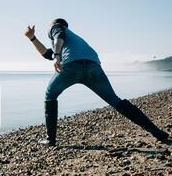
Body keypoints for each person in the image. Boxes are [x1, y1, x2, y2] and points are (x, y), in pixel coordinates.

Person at [25, 18, 170, 146]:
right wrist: (32, 38)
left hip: (72, 66)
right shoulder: (73, 41)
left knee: (50, 95)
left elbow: (57, 39)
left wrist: (57, 55)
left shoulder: (57, 28)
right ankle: (157, 133)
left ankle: (51, 140)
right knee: (115, 100)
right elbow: (47, 54)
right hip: (93, 66)